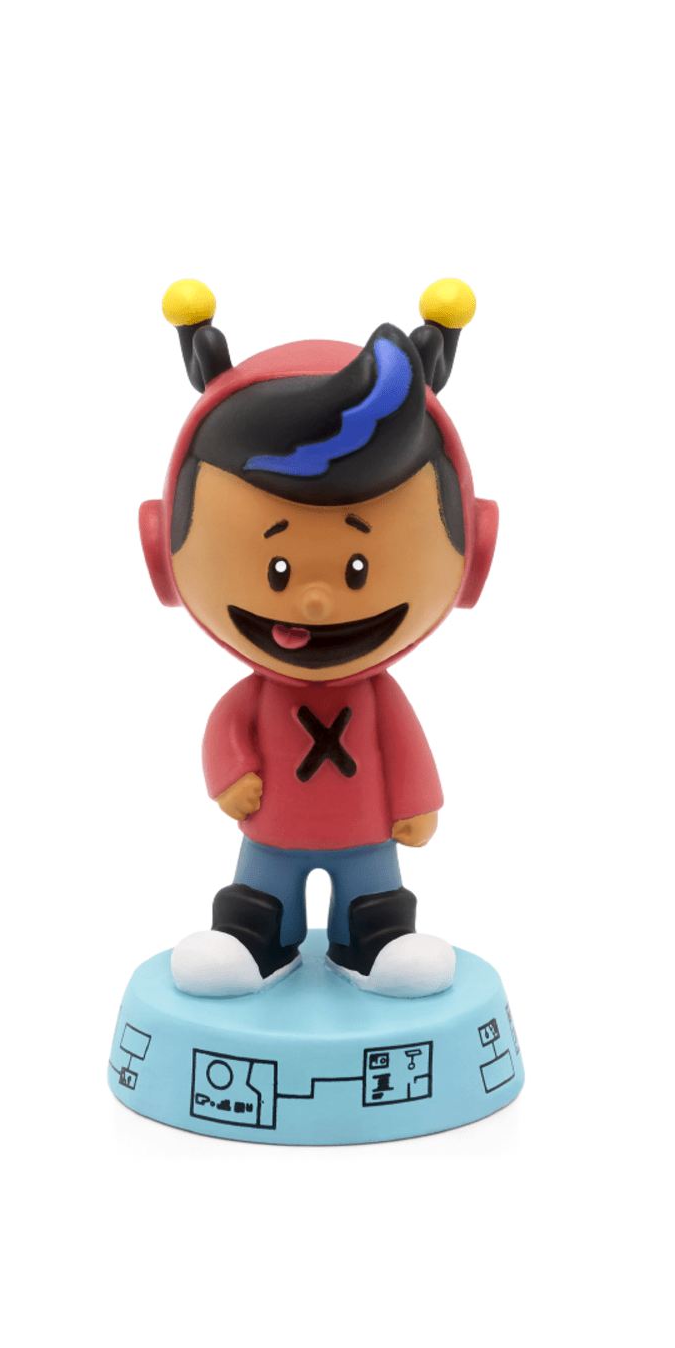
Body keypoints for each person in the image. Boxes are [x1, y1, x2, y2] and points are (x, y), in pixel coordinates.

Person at [138, 278, 498, 998]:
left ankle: (375, 940)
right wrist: (230, 769)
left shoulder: (378, 696)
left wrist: (416, 802)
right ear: (160, 554)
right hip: (270, 833)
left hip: (367, 837)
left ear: (476, 557)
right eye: (277, 567)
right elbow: (229, 726)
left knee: (375, 897)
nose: (313, 597)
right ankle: (253, 939)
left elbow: (401, 743)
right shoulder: (256, 694)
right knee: (259, 894)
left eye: (357, 567)